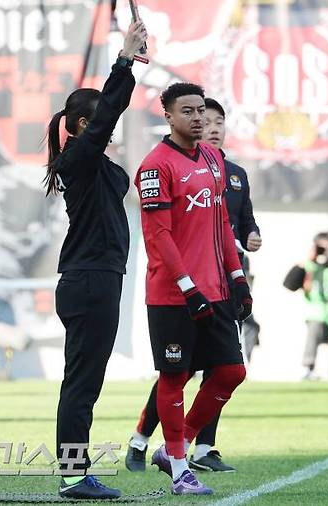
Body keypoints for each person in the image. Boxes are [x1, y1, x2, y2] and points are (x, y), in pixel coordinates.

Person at [125, 97, 262, 474]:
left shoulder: (215, 160)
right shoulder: (155, 166)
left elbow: (223, 225)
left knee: (232, 371)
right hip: (174, 295)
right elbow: (159, 236)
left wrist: (238, 279)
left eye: (203, 111)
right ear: (167, 117)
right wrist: (187, 286)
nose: (200, 118)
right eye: (189, 111)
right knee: (175, 376)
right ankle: (176, 463)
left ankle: (178, 447)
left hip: (216, 289)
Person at [45, 21, 147, 500]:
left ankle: (73, 471)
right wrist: (124, 61)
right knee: (82, 384)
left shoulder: (99, 165)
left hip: (98, 279)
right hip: (89, 281)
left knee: (83, 381)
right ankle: (72, 474)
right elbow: (109, 111)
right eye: (101, 119)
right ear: (84, 126)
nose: (112, 124)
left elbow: (107, 117)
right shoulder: (78, 161)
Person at [283, 232, 328, 378]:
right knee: (315, 329)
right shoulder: (308, 268)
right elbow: (289, 285)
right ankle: (308, 367)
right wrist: (306, 260)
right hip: (318, 319)